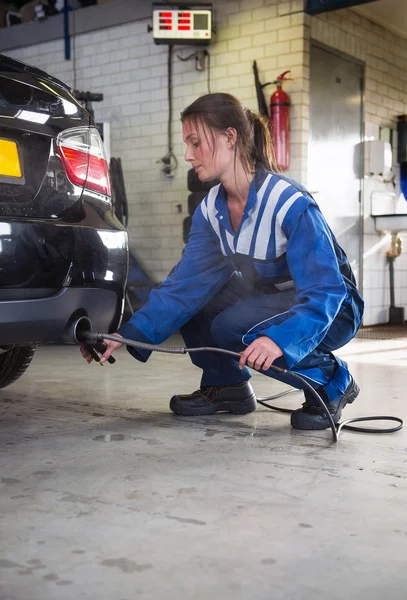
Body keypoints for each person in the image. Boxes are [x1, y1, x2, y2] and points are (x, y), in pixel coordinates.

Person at [81, 92, 364, 431]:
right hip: (278, 299)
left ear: (230, 138)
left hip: (333, 308)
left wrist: (280, 339)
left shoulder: (287, 203)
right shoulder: (212, 210)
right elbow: (184, 286)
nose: (187, 155)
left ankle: (333, 381)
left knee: (234, 324)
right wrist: (126, 335)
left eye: (196, 143)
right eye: (187, 144)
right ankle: (228, 386)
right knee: (198, 302)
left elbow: (325, 289)